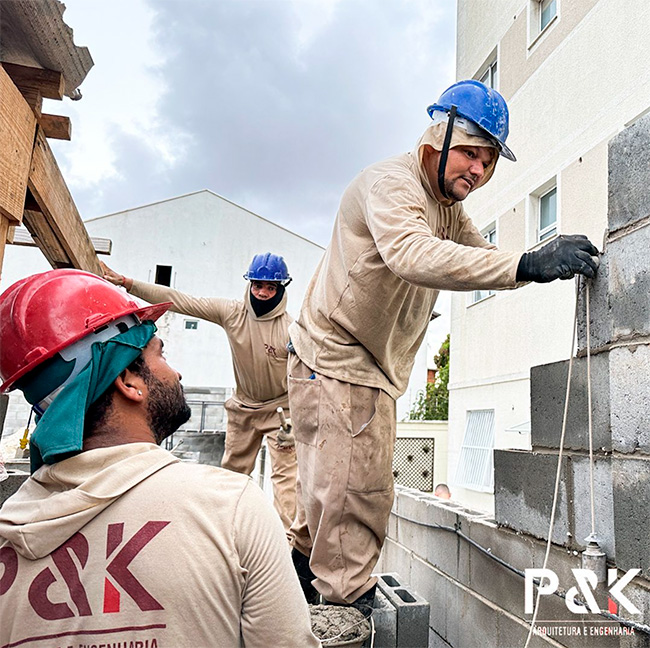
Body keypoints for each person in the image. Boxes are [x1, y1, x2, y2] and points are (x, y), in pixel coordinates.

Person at [287, 79, 600, 610]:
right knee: (353, 499)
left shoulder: (446, 205)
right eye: (470, 153)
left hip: (359, 366)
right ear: (439, 135)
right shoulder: (393, 185)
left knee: (324, 501)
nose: (478, 170)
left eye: (489, 160)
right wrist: (527, 262)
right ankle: (340, 614)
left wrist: (539, 262)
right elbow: (412, 254)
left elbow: (481, 253)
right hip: (338, 359)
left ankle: (292, 598)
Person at [0, 269, 319, 648]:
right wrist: (131, 285)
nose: (177, 370)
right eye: (160, 352)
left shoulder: (8, 533)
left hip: (277, 410)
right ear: (129, 381)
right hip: (246, 409)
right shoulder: (231, 510)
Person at [100, 253, 298, 536]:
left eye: (270, 287)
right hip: (243, 407)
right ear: (249, 285)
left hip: (281, 411)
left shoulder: (292, 330)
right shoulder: (233, 313)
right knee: (232, 475)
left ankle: (286, 545)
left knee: (286, 480)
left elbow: (309, 374)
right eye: (258, 286)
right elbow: (181, 300)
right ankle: (226, 535)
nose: (263, 293)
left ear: (281, 289)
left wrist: (298, 420)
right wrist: (126, 282)